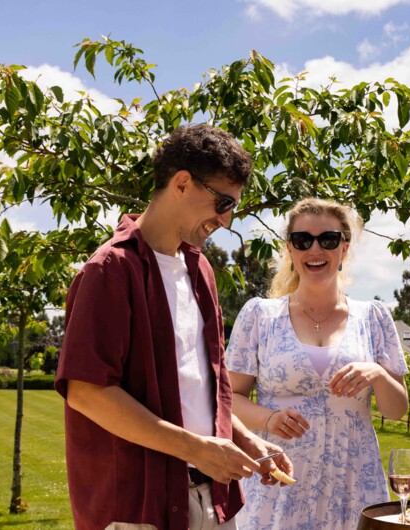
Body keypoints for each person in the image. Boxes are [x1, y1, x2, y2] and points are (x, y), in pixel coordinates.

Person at [55, 124, 293, 530]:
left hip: (212, 499)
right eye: (222, 201)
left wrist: (244, 440)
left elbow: (201, 390)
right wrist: (196, 449)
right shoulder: (110, 269)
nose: (226, 219)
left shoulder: (200, 269)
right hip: (137, 508)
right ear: (182, 183)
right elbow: (87, 392)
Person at [225, 198, 410, 530]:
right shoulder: (259, 316)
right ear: (290, 249)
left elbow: (396, 411)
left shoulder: (374, 317)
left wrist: (379, 374)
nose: (315, 249)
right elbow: (228, 400)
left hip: (354, 483)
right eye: (302, 240)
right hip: (278, 483)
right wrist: (268, 418)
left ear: (345, 248)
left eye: (328, 239)